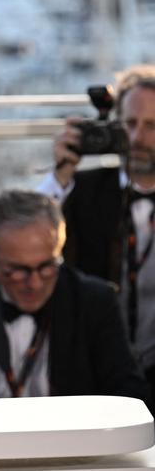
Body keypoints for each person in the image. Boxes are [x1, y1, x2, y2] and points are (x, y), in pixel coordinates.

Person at [0, 190, 148, 402]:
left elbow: (131, 395)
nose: (33, 283)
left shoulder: (95, 302)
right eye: (18, 270)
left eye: (46, 266)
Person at [40, 65, 155, 386]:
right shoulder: (83, 189)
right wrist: (60, 175)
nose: (137, 138)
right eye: (129, 124)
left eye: (151, 126)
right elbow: (28, 230)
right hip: (94, 368)